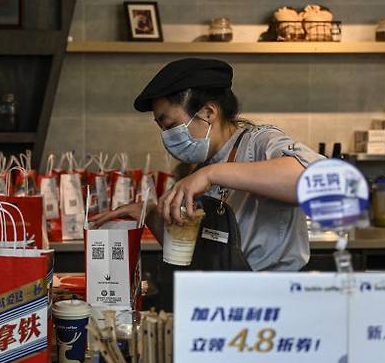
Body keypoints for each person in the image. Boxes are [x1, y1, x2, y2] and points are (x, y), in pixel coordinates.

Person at [91, 58, 323, 299]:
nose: (167, 136)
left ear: (208, 113)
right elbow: (197, 254)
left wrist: (212, 174)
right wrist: (150, 213)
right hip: (221, 304)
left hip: (273, 303)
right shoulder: (198, 166)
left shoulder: (259, 143)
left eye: (170, 124)